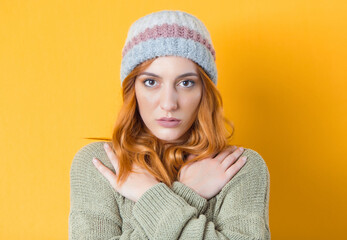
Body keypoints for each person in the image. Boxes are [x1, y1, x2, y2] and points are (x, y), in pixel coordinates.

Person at [68, 10, 270, 240]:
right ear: (133, 89)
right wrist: (188, 194)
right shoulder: (100, 165)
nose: (169, 103)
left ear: (205, 91)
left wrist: (150, 196)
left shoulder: (239, 167)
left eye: (186, 83)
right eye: (151, 82)